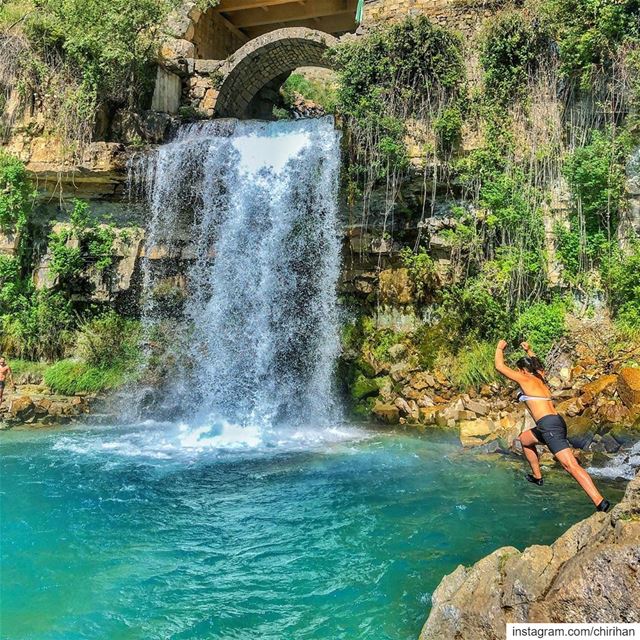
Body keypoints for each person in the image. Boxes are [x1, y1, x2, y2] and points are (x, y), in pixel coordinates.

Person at [494, 339, 610, 512]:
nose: (518, 372)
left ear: (524, 370)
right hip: (553, 422)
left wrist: (499, 348)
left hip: (549, 426)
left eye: (520, 370)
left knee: (570, 465)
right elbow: (538, 365)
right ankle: (537, 476)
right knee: (525, 439)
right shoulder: (540, 377)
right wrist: (529, 350)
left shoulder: (525, 378)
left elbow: (499, 366)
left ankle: (600, 502)